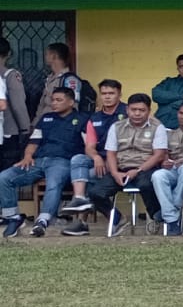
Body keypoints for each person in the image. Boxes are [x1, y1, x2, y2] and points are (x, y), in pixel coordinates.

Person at [0, 84, 95, 238]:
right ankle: (13, 217)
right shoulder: (46, 118)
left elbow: (89, 146)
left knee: (53, 183)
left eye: (59, 100)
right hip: (38, 161)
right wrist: (27, 156)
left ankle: (43, 221)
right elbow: (33, 142)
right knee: (5, 177)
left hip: (62, 161)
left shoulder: (82, 120)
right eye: (53, 100)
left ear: (71, 102)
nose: (54, 103)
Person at [83, 90, 165, 233]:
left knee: (146, 185)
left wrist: (138, 170)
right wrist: (115, 173)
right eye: (133, 110)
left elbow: (158, 155)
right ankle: (117, 218)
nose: (137, 113)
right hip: (121, 168)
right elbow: (111, 153)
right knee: (95, 192)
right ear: (127, 110)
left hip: (145, 168)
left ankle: (155, 216)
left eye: (142, 110)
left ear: (149, 111)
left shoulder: (157, 127)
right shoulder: (116, 127)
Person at [150, 99, 183, 235]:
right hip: (174, 169)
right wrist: (164, 162)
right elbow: (163, 154)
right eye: (181, 113)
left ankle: (170, 213)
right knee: (158, 175)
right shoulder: (170, 133)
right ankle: (172, 216)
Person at [0, 37, 32, 172]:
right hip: (9, 131)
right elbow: (18, 105)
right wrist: (25, 129)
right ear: (8, 54)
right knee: (8, 172)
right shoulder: (10, 75)